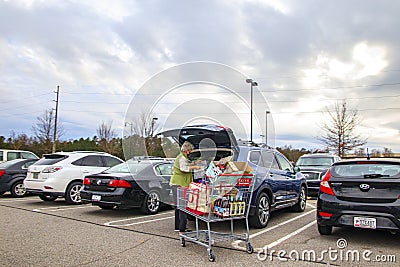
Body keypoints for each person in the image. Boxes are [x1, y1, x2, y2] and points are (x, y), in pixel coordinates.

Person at [170, 141, 201, 235]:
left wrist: (195, 162)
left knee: (178, 206)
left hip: (177, 184)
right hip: (179, 184)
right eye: (190, 150)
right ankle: (182, 229)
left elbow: (187, 164)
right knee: (182, 206)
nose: (190, 152)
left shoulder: (182, 157)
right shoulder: (182, 158)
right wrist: (195, 167)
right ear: (187, 150)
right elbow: (184, 168)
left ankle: (178, 226)